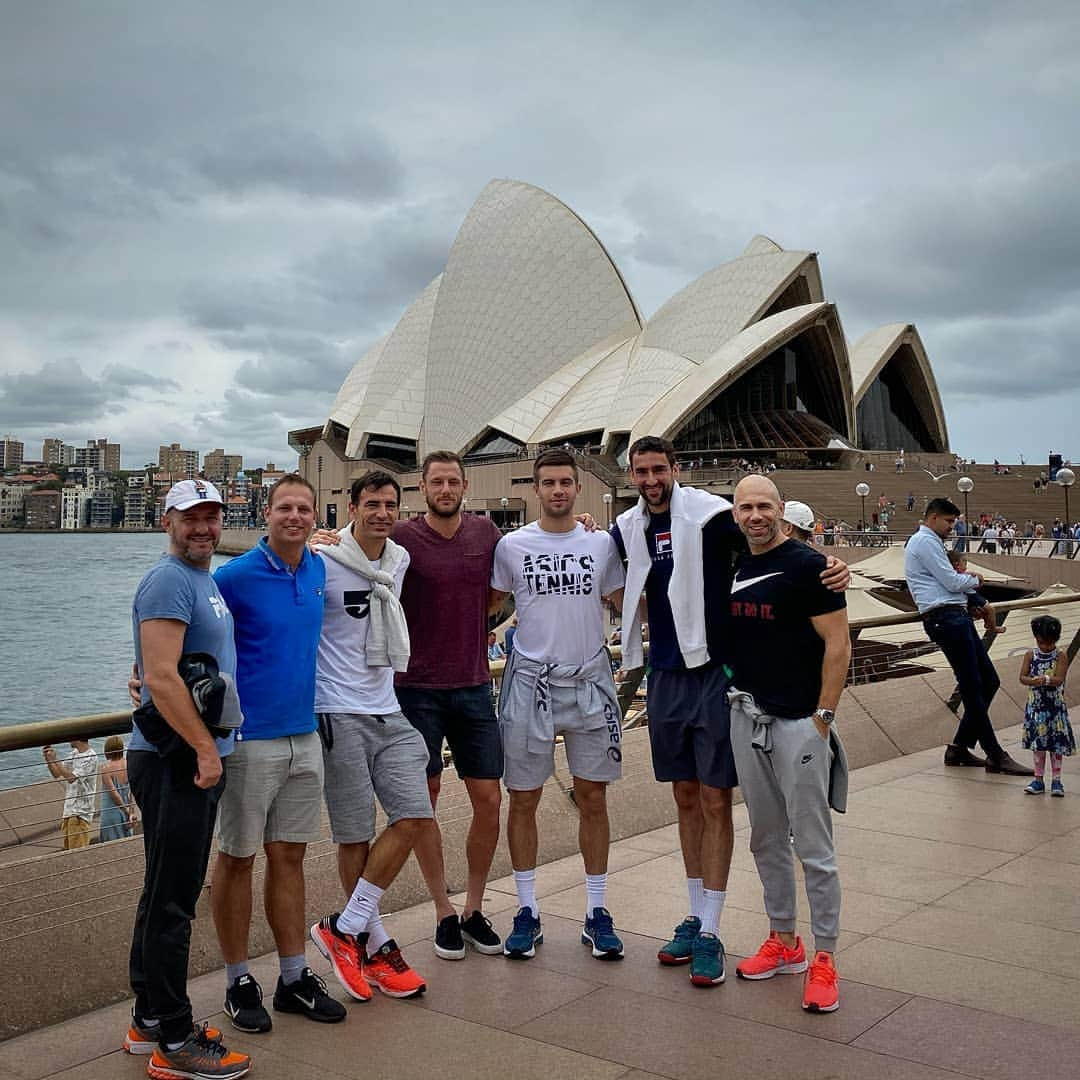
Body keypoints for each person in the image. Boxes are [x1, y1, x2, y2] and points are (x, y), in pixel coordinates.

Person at [613, 437, 848, 989]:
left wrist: (832, 564)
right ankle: (700, 918)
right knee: (687, 797)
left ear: (676, 470)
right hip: (666, 676)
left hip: (717, 680)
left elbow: (779, 550)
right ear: (630, 476)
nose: (651, 479)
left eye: (659, 469)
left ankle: (720, 930)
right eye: (641, 471)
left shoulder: (714, 521)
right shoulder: (625, 529)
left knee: (719, 800)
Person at [210, 474, 345, 1032]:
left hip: (303, 736)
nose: (294, 516)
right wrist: (142, 673)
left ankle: (293, 977)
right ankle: (238, 978)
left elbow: (386, 533)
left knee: (290, 857)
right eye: (284, 508)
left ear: (316, 518)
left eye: (304, 508)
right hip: (247, 740)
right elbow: (188, 626)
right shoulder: (234, 577)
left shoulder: (318, 568)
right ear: (266, 515)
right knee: (237, 858)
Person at [125, 478, 250, 1078]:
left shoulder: (201, 578)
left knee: (161, 891)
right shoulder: (170, 578)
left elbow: (162, 662)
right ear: (165, 521)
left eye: (210, 517)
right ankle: (175, 1041)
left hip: (185, 754)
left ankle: (148, 1014)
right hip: (176, 758)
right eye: (189, 517)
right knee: (174, 901)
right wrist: (206, 750)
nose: (202, 527)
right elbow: (162, 678)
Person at [490, 449, 626, 961]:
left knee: (594, 797)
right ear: (536, 488)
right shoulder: (512, 545)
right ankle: (527, 909)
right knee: (522, 798)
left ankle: (596, 910)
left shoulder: (600, 544)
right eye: (548, 483)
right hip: (529, 681)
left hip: (589, 676)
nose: (558, 491)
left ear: (577, 487)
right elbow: (486, 604)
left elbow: (625, 600)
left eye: (566, 482)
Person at [726, 476, 850, 1014]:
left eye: (764, 506)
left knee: (814, 847)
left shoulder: (808, 566)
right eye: (745, 507)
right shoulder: (733, 561)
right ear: (734, 513)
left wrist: (822, 718)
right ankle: (785, 941)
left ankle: (825, 955)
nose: (755, 515)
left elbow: (838, 644)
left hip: (800, 721)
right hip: (747, 716)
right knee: (766, 839)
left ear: (781, 510)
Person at [309, 471, 430, 1002]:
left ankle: (344, 929)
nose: (381, 512)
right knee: (354, 835)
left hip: (388, 708)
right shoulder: (323, 557)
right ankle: (373, 944)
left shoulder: (398, 560)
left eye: (389, 504)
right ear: (351, 506)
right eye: (372, 503)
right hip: (337, 710)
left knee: (413, 817)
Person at [392, 450, 505, 961]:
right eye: (435, 482)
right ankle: (442, 910)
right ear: (423, 487)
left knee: (489, 798)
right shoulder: (401, 537)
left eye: (452, 481)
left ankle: (474, 907)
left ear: (465, 485)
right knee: (425, 800)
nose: (444, 489)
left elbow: (505, 587)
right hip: (416, 689)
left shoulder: (486, 534)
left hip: (474, 684)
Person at [904, 497, 1032, 776]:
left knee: (988, 681)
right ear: (934, 517)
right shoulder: (924, 541)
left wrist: (970, 594)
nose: (953, 527)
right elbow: (952, 582)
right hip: (946, 619)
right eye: (949, 522)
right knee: (973, 686)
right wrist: (976, 579)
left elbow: (948, 583)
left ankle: (960, 746)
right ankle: (995, 754)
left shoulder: (930, 541)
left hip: (954, 616)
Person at [1020, 615, 1073, 796]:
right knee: (1039, 744)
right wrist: (1033, 681)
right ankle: (1038, 779)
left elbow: (1059, 679)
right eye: (1042, 643)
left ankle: (1057, 780)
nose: (1045, 647)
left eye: (1049, 643)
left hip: (1054, 707)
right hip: (1037, 708)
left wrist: (1047, 679)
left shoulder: (1061, 655)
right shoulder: (1030, 655)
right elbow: (1023, 677)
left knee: (1055, 745)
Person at [43, 738, 97, 849]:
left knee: (77, 854)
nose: (68, 739)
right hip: (69, 811)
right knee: (69, 851)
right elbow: (57, 773)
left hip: (80, 813)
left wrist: (55, 759)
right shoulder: (74, 754)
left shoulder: (91, 757)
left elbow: (71, 778)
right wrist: (49, 759)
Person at [945, 550, 1003, 637]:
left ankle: (988, 624)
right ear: (957, 565)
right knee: (990, 609)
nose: (966, 567)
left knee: (983, 610)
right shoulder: (958, 576)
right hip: (971, 595)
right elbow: (978, 582)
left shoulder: (949, 575)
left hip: (968, 598)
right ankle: (993, 628)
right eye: (964, 563)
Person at [99, 735, 134, 842]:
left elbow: (114, 794)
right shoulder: (129, 764)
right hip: (127, 812)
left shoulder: (106, 768)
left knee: (110, 847)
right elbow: (132, 791)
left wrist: (126, 810)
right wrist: (130, 812)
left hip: (110, 813)